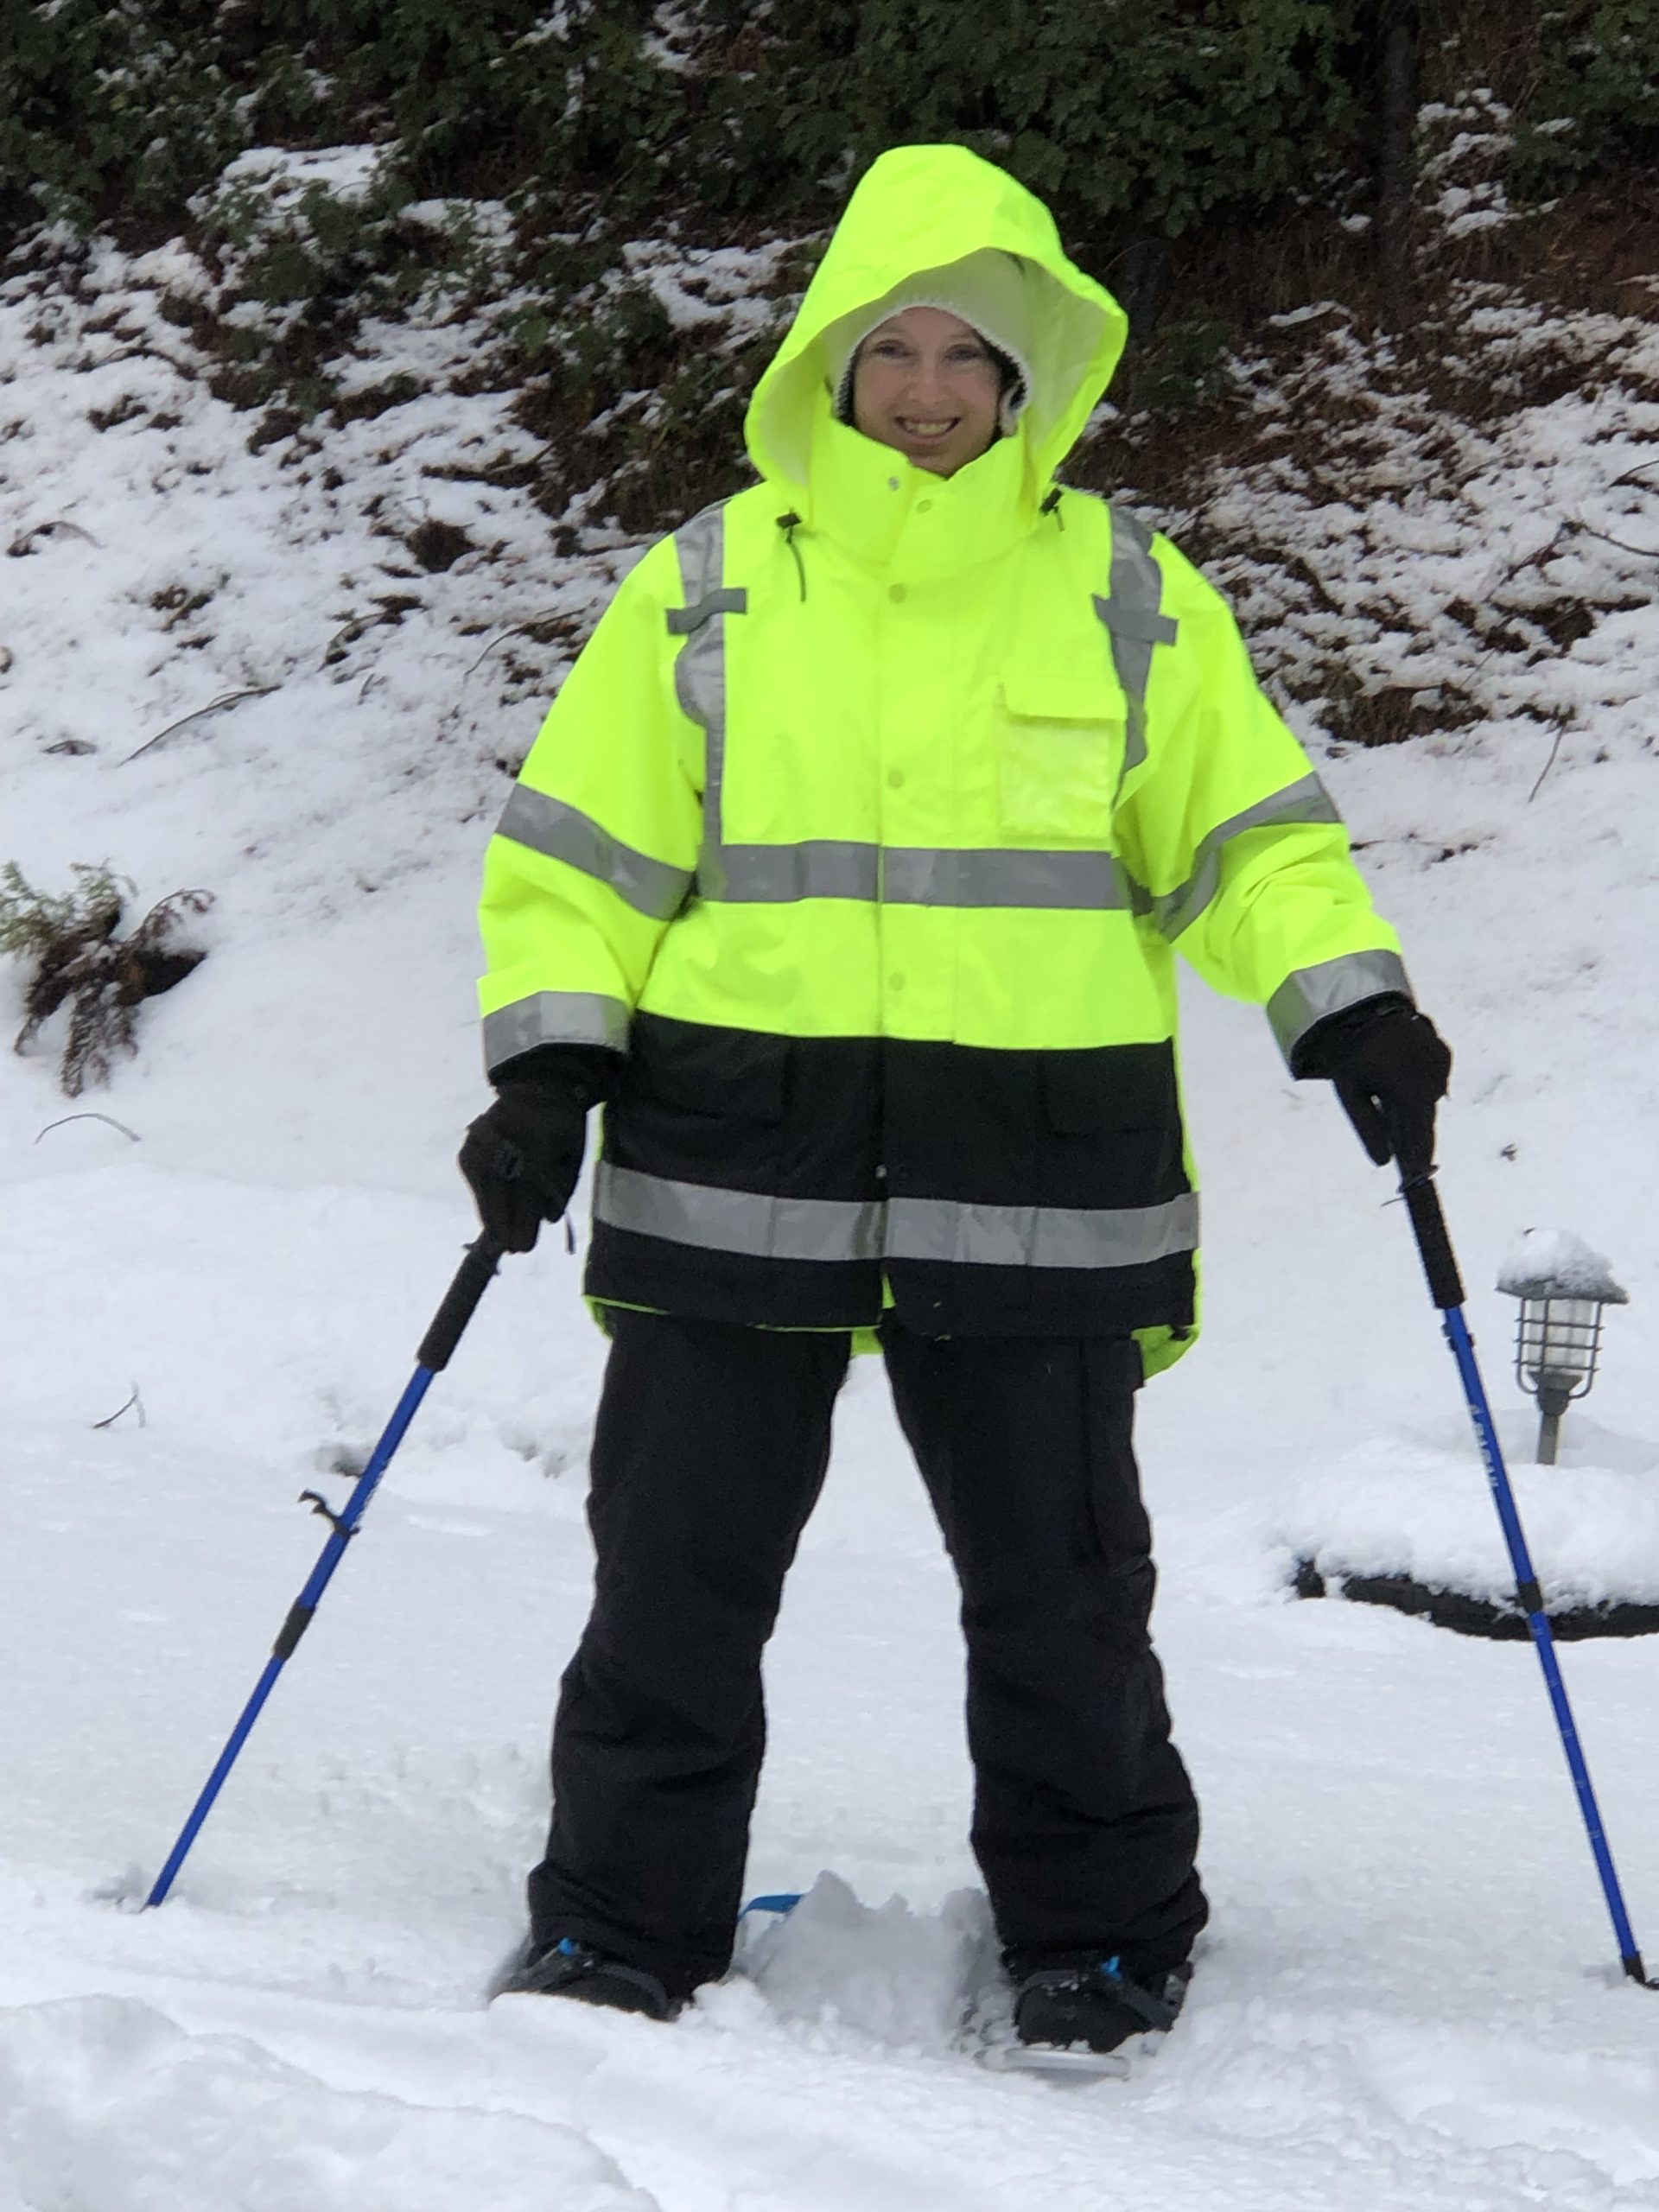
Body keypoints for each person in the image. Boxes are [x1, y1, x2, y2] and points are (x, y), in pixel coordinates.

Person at [461, 143, 1450, 2056]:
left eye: (965, 356)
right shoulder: (709, 590)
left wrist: (1351, 1007)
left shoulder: (1128, 596)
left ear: (1027, 382)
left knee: (1064, 1597)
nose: (925, 388)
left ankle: (1102, 1926)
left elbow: (1252, 847)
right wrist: (551, 1062)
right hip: (734, 1156)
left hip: (1042, 1178)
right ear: (830, 369)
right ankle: (616, 1920)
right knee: (674, 1580)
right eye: (891, 348)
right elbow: (577, 862)